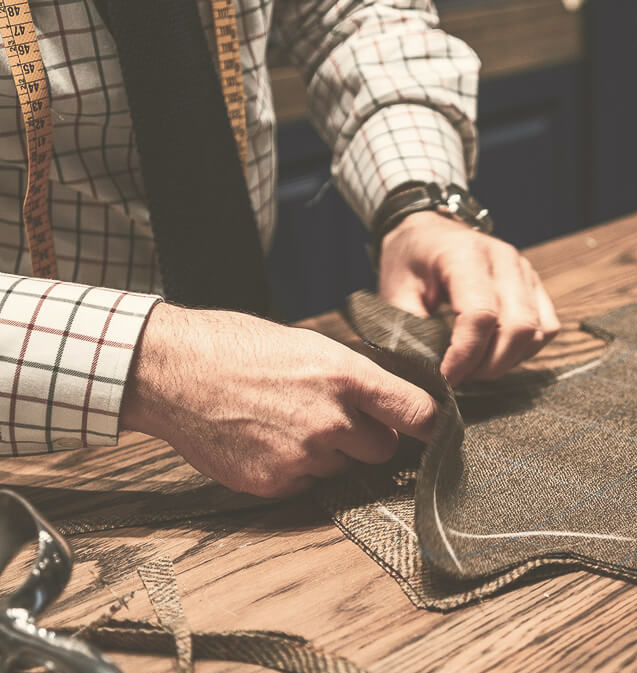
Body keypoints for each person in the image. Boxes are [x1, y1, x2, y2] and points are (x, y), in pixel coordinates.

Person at [0, 0, 559, 497]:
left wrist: (415, 203)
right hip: (34, 465)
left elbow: (352, 13)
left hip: (276, 417)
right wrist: (153, 365)